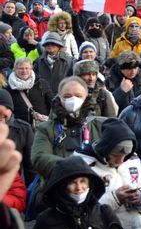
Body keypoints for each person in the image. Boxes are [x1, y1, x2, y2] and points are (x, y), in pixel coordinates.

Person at [31, 76, 107, 214]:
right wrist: (75, 170)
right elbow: (39, 158)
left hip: (96, 194)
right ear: (59, 98)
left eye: (78, 95)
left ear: (86, 97)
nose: (73, 100)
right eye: (67, 96)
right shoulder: (46, 128)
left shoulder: (101, 125)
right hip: (56, 193)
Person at [75, 119, 141, 229]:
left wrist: (140, 197)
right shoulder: (84, 165)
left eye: (125, 155)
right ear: (105, 149)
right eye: (116, 155)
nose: (121, 161)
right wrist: (115, 198)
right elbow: (82, 209)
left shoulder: (132, 160)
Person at [30, 156, 127, 229]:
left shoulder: (104, 213)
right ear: (62, 186)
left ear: (90, 183)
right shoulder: (46, 220)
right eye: (72, 182)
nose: (79, 188)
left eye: (83, 181)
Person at [5, 56, 52, 126]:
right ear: (14, 69)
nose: (24, 71)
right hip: (19, 127)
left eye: (27, 68)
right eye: (21, 68)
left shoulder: (41, 83)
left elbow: (51, 103)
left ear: (31, 69)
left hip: (41, 125)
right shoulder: (8, 87)